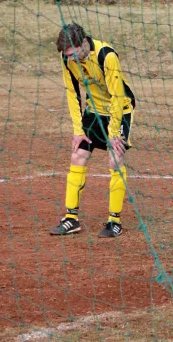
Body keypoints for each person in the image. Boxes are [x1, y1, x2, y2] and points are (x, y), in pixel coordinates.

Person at [50, 23, 136, 238]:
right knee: (78, 154)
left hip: (120, 110)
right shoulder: (67, 60)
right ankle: (71, 219)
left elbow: (117, 96)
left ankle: (114, 222)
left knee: (115, 158)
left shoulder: (107, 56)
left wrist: (114, 132)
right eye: (67, 55)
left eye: (74, 54)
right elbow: (73, 93)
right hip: (94, 110)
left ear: (85, 43)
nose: (71, 59)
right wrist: (78, 129)